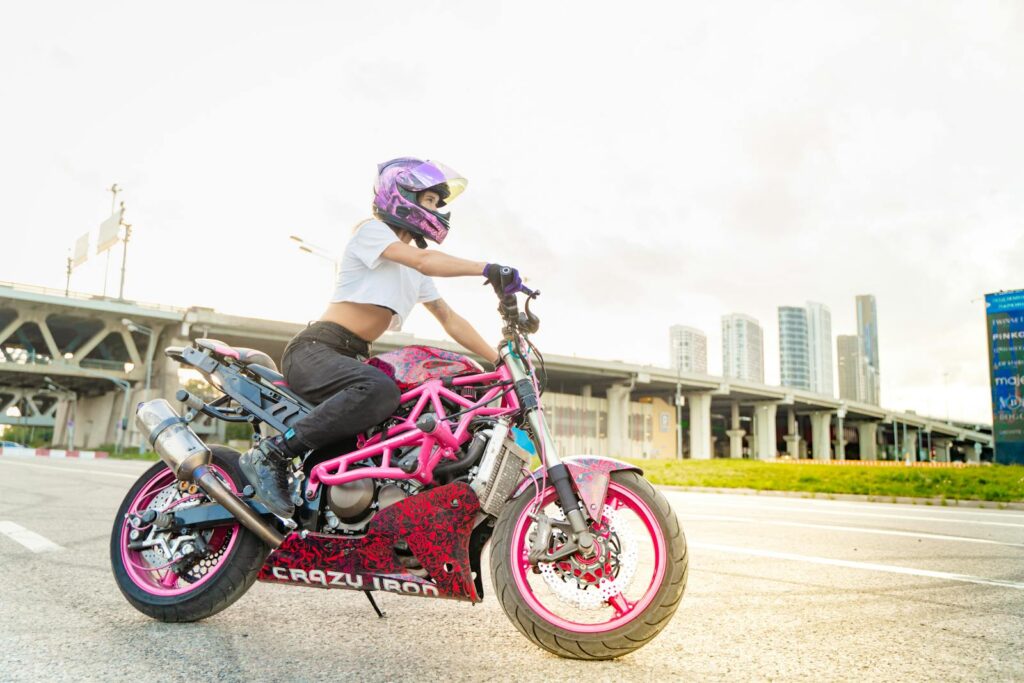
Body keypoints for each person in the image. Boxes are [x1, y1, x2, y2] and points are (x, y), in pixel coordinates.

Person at [240, 158, 523, 518]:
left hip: (350, 358)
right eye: (430, 200)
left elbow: (449, 319)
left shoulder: (414, 269)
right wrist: (486, 268)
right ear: (401, 196)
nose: (436, 210)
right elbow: (425, 261)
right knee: (379, 390)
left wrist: (500, 361)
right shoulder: (372, 233)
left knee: (395, 420)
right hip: (316, 350)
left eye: (438, 203)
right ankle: (273, 453)